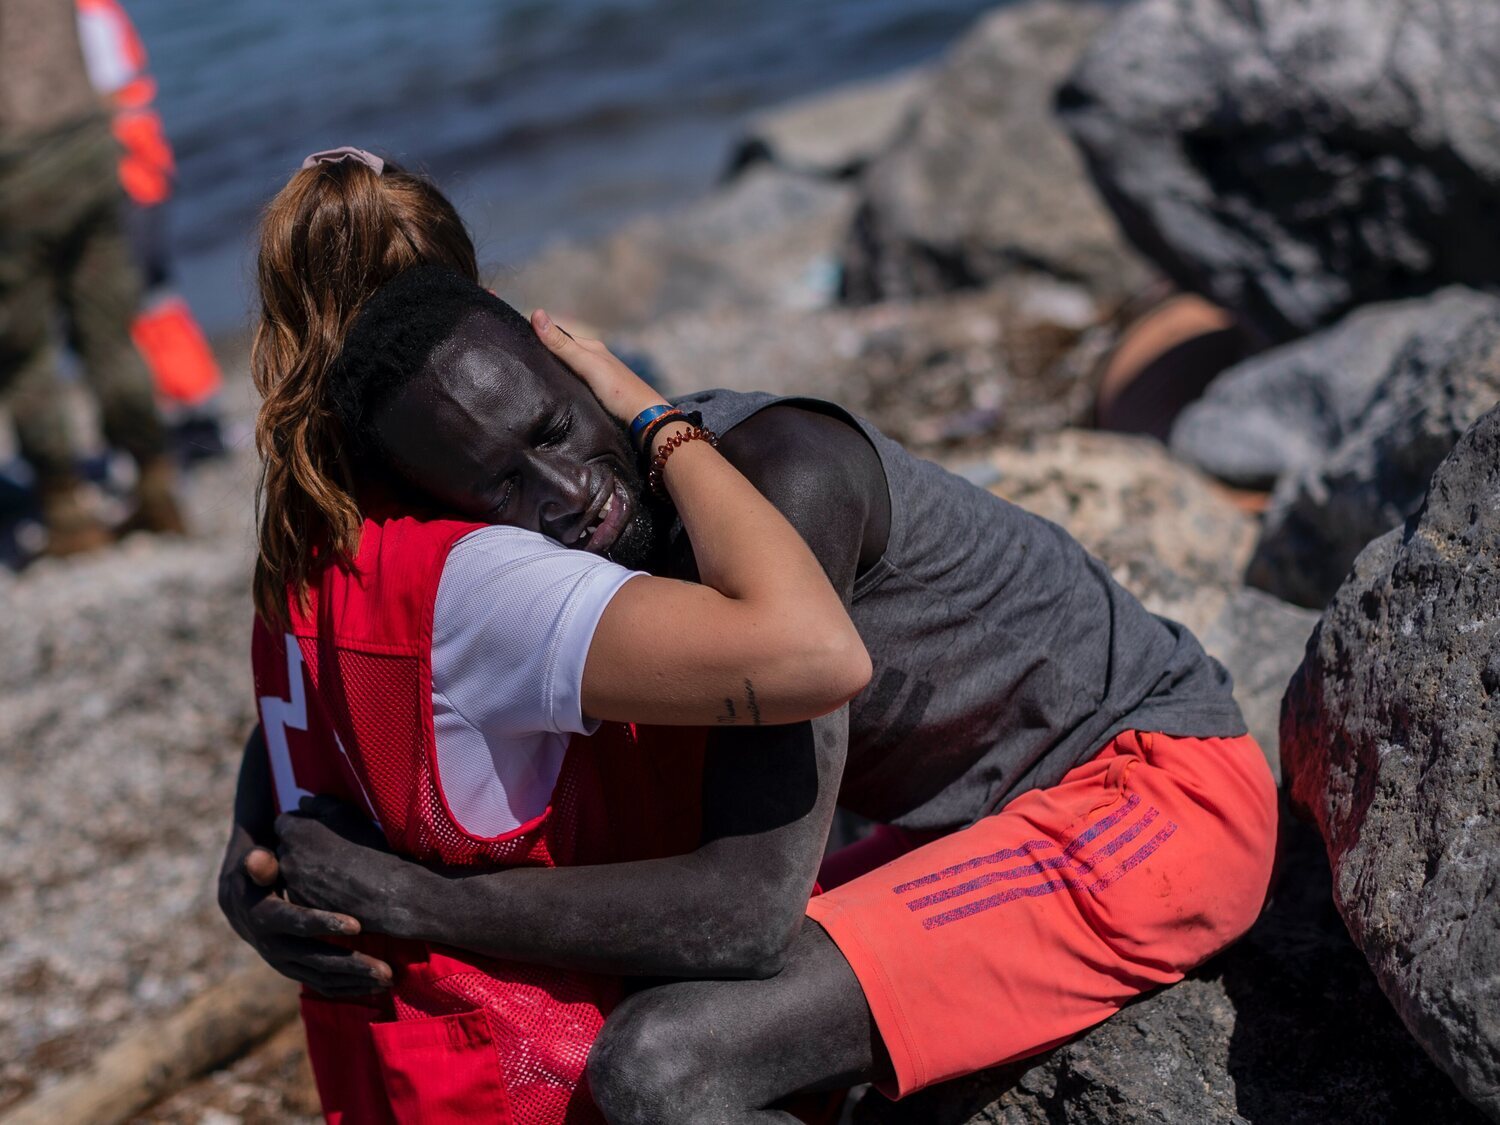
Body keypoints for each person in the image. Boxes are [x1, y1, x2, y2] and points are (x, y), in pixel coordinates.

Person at [221, 156, 1279, 1123]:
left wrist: (419, 902)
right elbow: (348, 663)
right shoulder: (544, 543)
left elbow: (743, 916)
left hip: (1143, 796)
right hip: (978, 822)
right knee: (639, 1018)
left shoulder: (782, 478)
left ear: (579, 366)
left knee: (662, 1064)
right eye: (500, 488)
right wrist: (260, 847)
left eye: (555, 432)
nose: (565, 498)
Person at [237, 149, 868, 1124]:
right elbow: (811, 659)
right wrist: (661, 426)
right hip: (533, 1071)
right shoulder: (481, 579)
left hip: (388, 1074)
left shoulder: (300, 554)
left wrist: (251, 859)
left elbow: (309, 744)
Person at [0, 0, 185, 555]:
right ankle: (155, 477)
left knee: (24, 349)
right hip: (85, 145)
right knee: (109, 327)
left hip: (12, 168)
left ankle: (66, 507)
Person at [75, 0, 227, 453]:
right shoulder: (86, 9)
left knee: (140, 298)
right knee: (151, 296)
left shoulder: (81, 13)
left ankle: (189, 416)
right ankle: (190, 412)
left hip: (127, 172)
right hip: (133, 166)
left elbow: (105, 91)